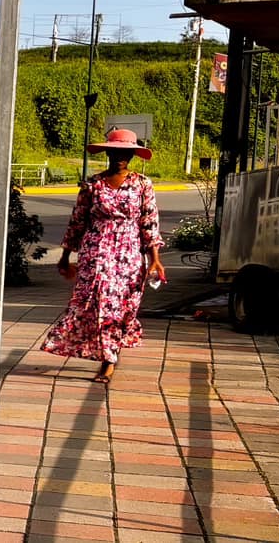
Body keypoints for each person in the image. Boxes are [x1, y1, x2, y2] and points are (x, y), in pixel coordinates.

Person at [42, 127, 165, 384]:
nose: (120, 158)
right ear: (107, 153)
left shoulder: (142, 184)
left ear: (132, 155)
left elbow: (149, 222)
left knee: (121, 307)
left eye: (125, 154)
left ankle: (110, 356)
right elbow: (77, 221)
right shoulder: (92, 184)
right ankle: (108, 358)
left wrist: (155, 258)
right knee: (97, 303)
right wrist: (65, 256)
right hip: (95, 252)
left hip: (129, 255)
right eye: (115, 153)